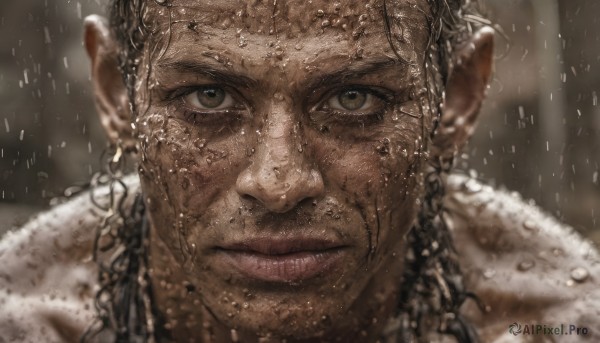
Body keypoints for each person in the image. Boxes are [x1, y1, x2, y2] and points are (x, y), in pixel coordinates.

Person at [0, 0, 598, 342]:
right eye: (208, 97)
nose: (279, 183)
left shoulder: (560, 327)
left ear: (457, 97)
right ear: (116, 93)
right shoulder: (23, 323)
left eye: (354, 99)